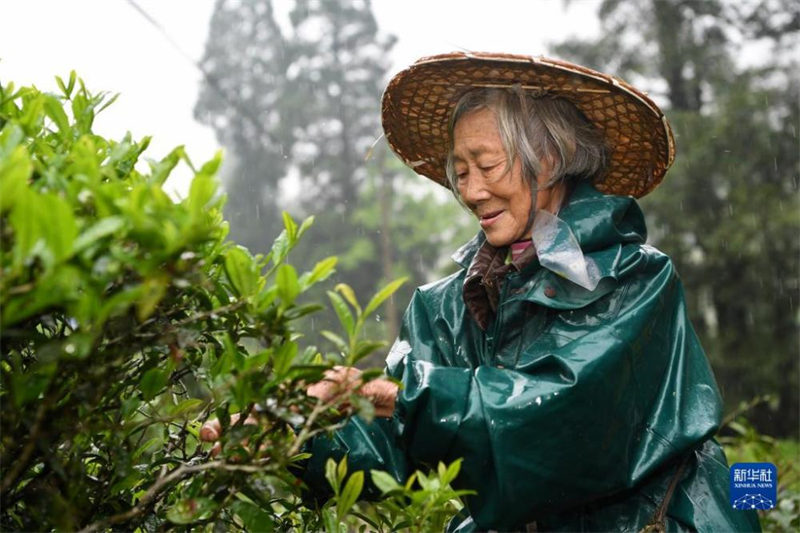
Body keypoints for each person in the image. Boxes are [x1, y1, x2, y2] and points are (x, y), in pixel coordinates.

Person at [203, 52, 761, 532]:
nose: (470, 190)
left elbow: (564, 420)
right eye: (460, 171)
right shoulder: (445, 308)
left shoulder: (637, 280)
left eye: (486, 165)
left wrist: (409, 397)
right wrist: (291, 437)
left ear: (550, 156)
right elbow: (393, 448)